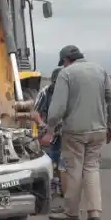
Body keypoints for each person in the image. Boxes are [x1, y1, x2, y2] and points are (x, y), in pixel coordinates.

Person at [41, 45, 111, 220]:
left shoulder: (66, 74)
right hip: (98, 130)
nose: (64, 66)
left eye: (64, 63)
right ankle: (94, 211)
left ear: (67, 60)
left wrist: (50, 130)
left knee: (73, 168)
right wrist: (110, 124)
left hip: (75, 131)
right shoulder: (100, 70)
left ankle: (71, 212)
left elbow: (57, 108)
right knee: (91, 167)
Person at [33, 67, 66, 200]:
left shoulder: (69, 94)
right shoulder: (45, 93)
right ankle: (50, 185)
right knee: (49, 158)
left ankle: (63, 186)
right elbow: (35, 113)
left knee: (64, 161)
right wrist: (41, 123)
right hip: (48, 130)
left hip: (66, 131)